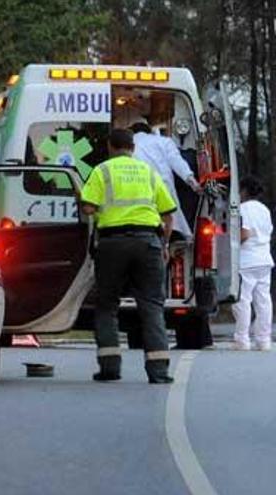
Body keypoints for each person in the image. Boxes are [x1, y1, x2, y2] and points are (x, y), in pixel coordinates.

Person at [80, 129, 177, 384]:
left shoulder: (102, 171)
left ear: (110, 146)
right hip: (148, 244)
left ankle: (110, 368)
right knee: (151, 306)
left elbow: (88, 207)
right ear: (132, 148)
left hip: (113, 244)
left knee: (107, 305)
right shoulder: (148, 172)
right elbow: (168, 214)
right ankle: (159, 371)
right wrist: (164, 243)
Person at [130, 121, 202, 239]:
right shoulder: (164, 141)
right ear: (149, 132)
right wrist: (192, 181)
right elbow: (177, 162)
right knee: (169, 223)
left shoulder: (128, 144)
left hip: (136, 195)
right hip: (162, 191)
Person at [231, 176, 274, 351]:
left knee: (243, 301)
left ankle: (242, 340)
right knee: (263, 301)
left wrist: (231, 245)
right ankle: (263, 340)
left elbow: (245, 233)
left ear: (243, 191)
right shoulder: (264, 209)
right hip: (264, 259)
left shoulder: (243, 209)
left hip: (247, 260)